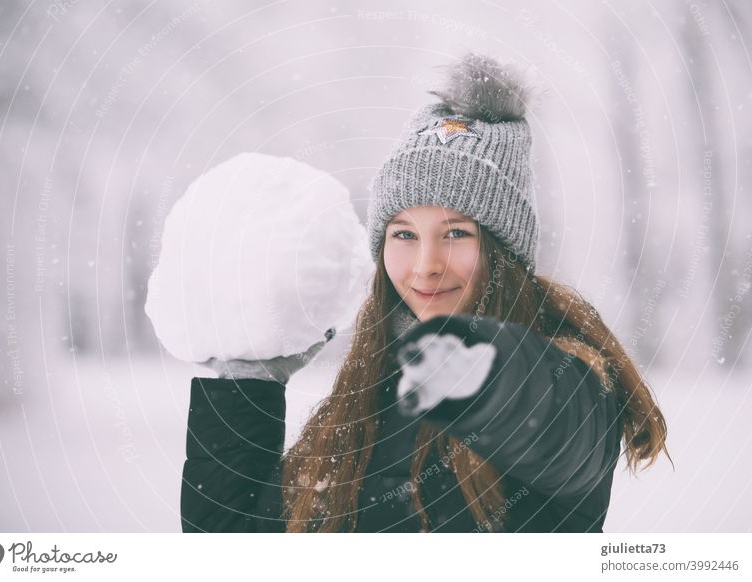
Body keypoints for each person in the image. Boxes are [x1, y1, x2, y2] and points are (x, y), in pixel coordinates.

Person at [180, 51, 670, 533]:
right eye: (404, 234)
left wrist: (481, 371)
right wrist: (247, 384)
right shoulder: (357, 402)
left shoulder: (569, 375)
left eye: (457, 233)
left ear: (503, 250)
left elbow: (553, 423)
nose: (426, 265)